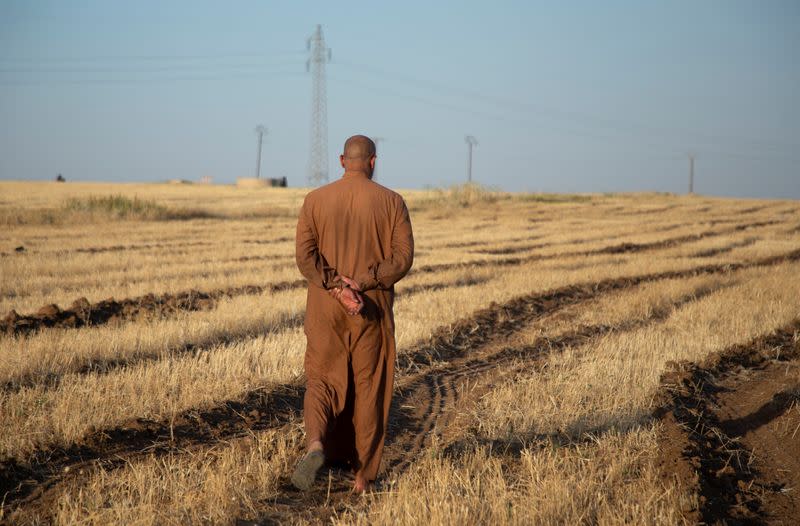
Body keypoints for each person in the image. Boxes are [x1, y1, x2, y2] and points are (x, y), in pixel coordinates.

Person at [292, 135, 414, 493]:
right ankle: (363, 477)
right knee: (369, 387)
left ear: (342, 160)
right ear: (373, 162)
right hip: (371, 308)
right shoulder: (392, 202)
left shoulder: (315, 200)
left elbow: (305, 258)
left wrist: (335, 285)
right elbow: (402, 259)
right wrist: (363, 281)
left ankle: (316, 444)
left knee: (320, 381)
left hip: (325, 309)